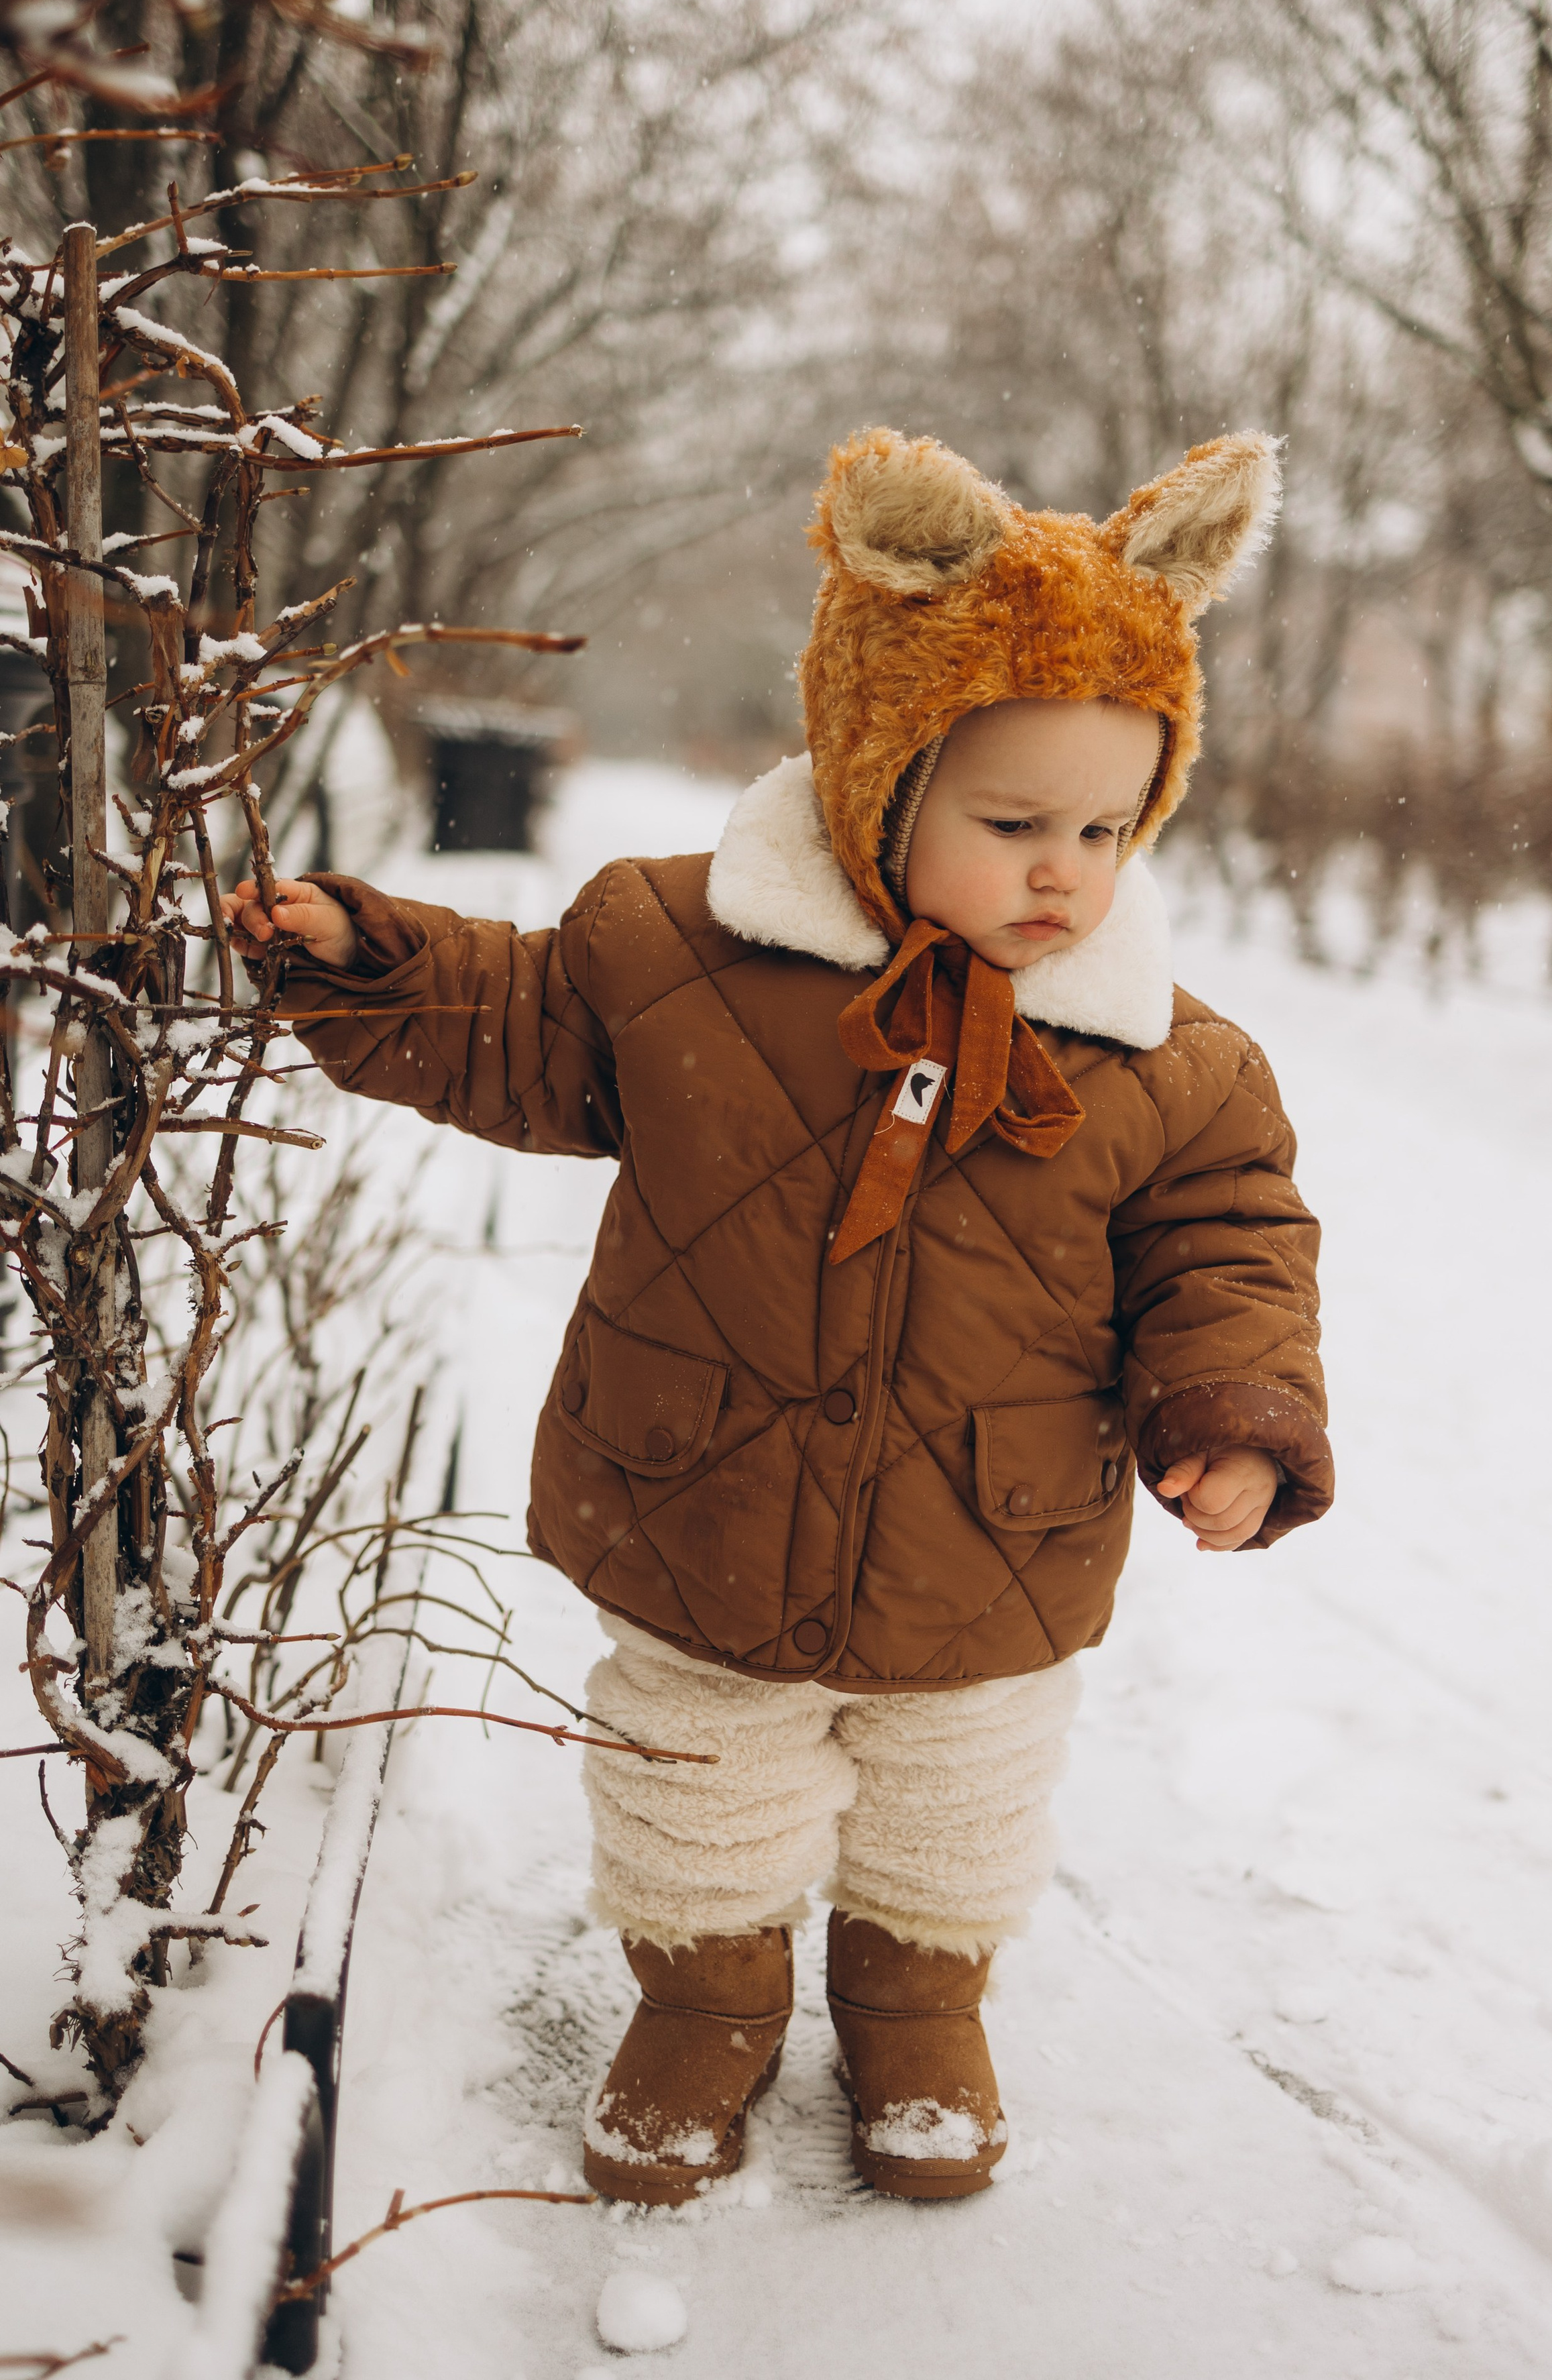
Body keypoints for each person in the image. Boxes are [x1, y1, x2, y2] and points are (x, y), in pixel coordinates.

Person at [223, 425, 1333, 2208]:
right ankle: (706, 2009)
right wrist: (373, 958)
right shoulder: (670, 955)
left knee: (954, 1809)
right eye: (1013, 821)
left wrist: (1230, 1411)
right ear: (879, 777)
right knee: (695, 1785)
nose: (1067, 869)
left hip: (992, 1528)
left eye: (1109, 828)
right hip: (701, 1494)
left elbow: (1230, 1250)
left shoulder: (1172, 1065)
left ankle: (918, 2013)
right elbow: (513, 1027)